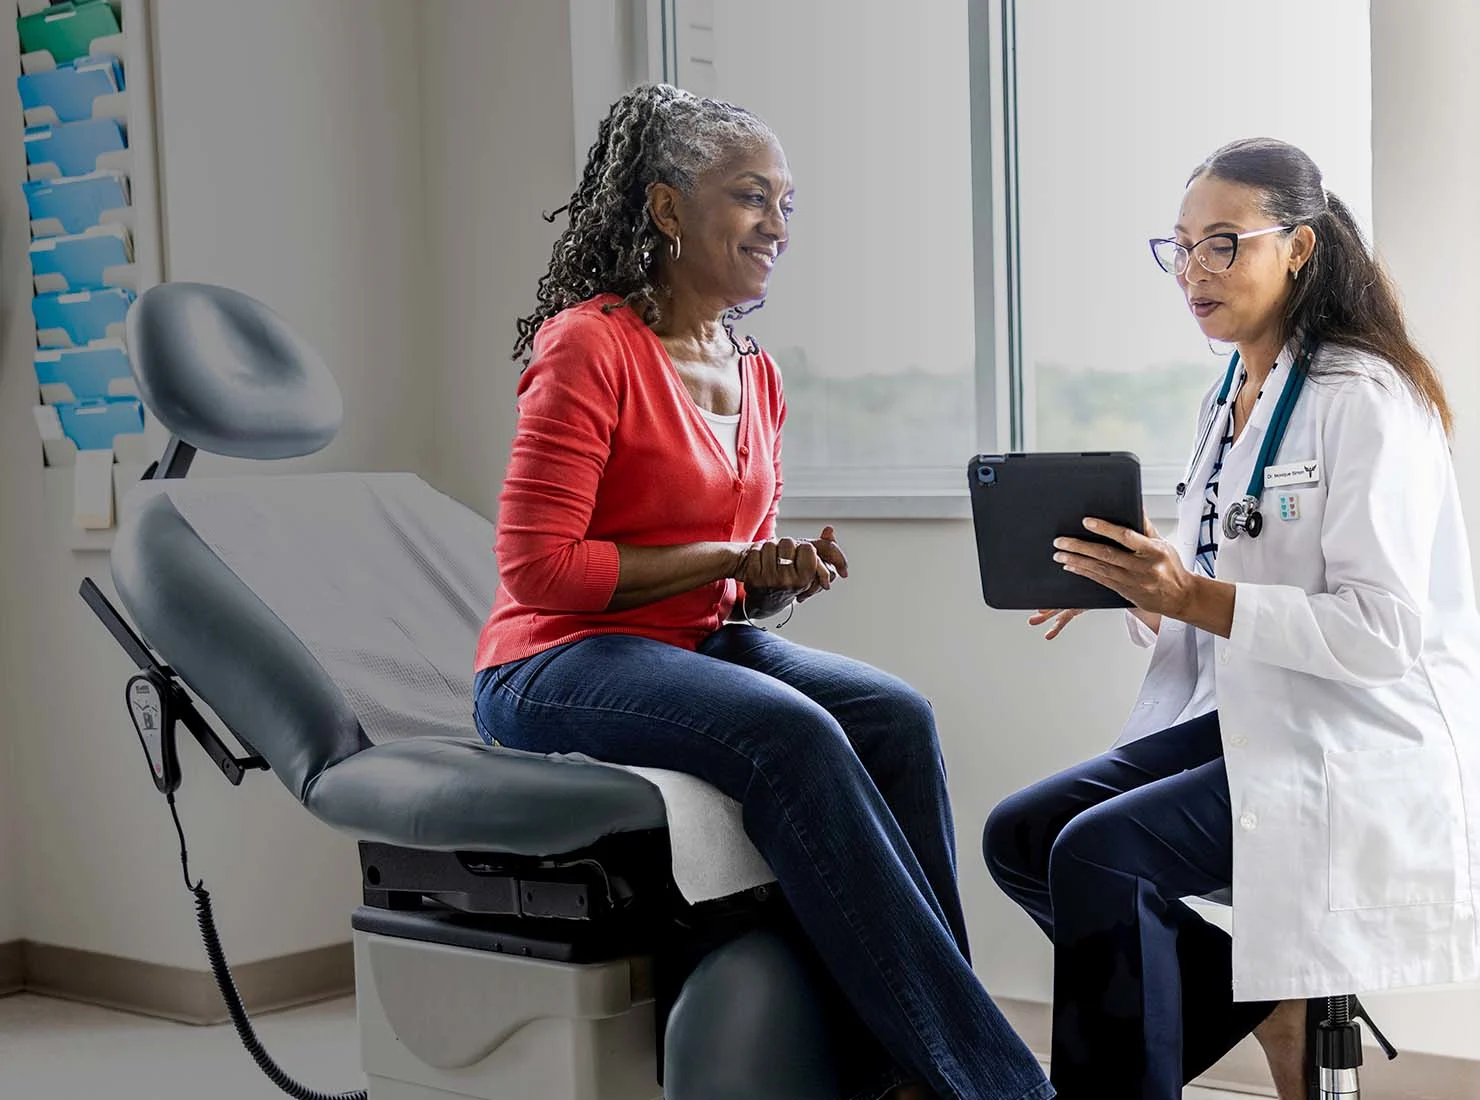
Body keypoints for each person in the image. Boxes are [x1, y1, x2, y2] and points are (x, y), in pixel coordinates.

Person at [473, 82, 1053, 1100]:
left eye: (786, 202)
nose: (776, 224)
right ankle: (987, 1082)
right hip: (554, 659)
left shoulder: (756, 371)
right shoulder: (589, 344)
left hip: (694, 643)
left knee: (896, 716)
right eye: (750, 196)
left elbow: (734, 599)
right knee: (792, 735)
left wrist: (774, 577)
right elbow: (538, 568)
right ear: (665, 208)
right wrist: (727, 558)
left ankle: (913, 1068)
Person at [982, 136, 1480, 1099]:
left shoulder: (1365, 400)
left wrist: (1191, 595)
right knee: (1021, 834)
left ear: (1297, 248)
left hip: (1351, 733)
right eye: (1179, 247)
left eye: (1223, 244)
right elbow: (1206, 574)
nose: (1194, 272)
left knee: (1099, 854)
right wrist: (1127, 584)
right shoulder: (1229, 395)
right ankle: (1259, 1000)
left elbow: (1380, 631)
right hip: (1249, 708)